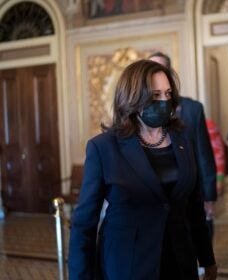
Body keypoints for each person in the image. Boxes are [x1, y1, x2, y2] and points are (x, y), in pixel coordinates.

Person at [68, 60, 217, 280]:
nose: (164, 101)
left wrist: (207, 260)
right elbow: (84, 223)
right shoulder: (103, 147)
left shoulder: (183, 139)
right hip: (129, 264)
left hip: (180, 262)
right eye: (155, 95)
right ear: (133, 97)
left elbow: (194, 209)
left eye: (167, 93)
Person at [148, 52, 217, 241]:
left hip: (189, 187)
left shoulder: (193, 109)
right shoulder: (139, 111)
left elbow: (204, 153)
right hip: (157, 193)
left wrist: (209, 195)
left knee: (195, 235)